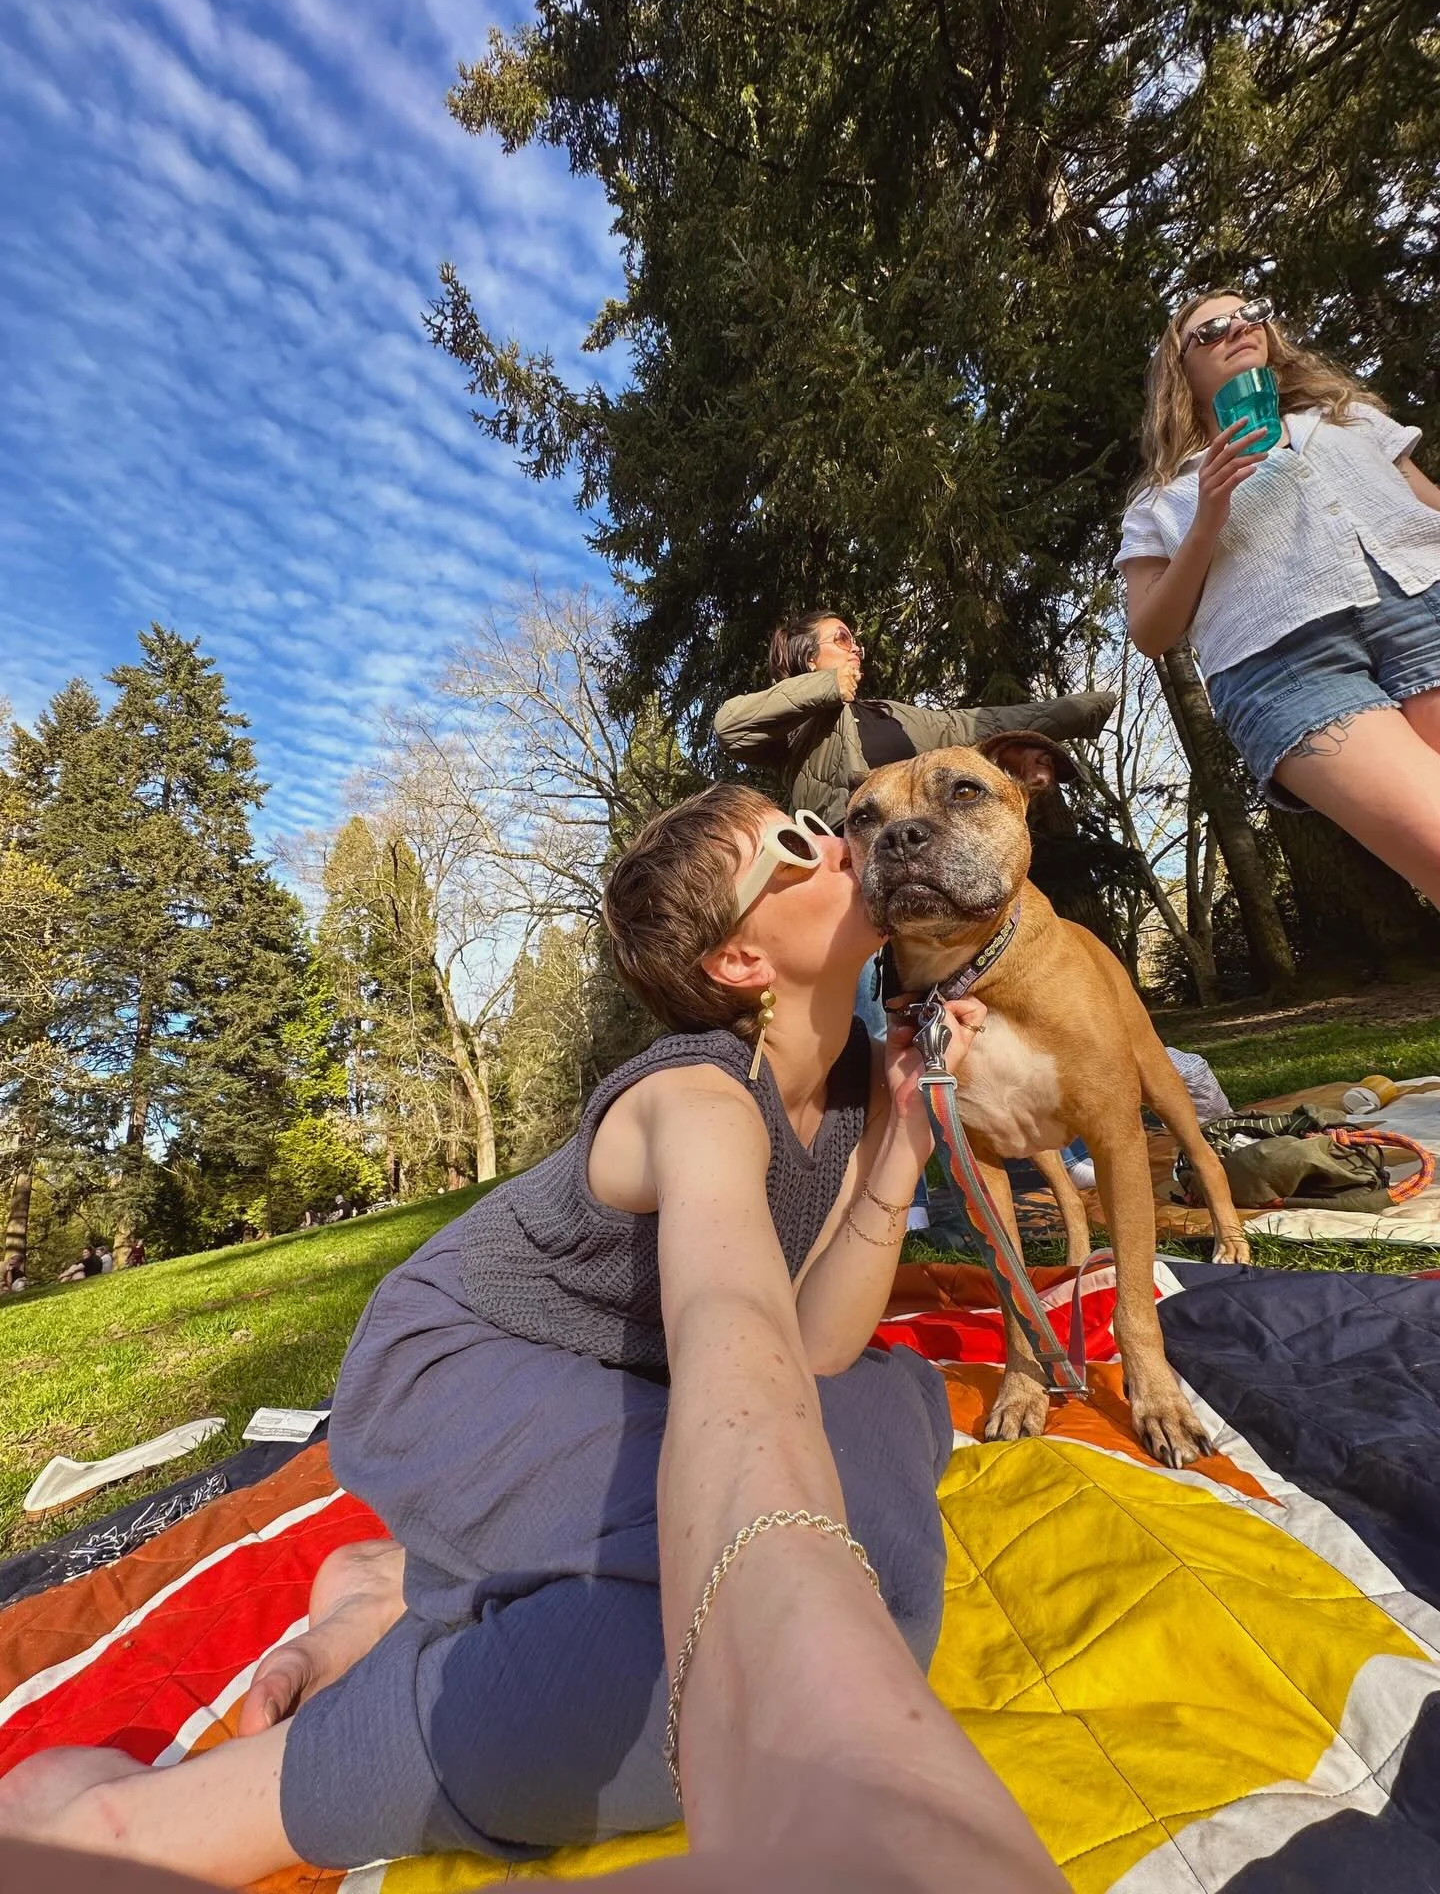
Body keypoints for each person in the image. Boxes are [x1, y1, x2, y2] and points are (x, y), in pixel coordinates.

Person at [0, 783, 1025, 1889]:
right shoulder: (698, 1095)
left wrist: (902, 1144)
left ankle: (397, 1582)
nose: (836, 840)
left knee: (881, 1421)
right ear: (738, 960)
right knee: (808, 1590)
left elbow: (813, 1347)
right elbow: (731, 1321)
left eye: (822, 826)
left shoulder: (862, 1078)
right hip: (459, 1361)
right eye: (794, 841)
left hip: (611, 1370)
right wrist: (811, 1651)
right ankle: (153, 1823)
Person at [1118, 288, 1440, 904]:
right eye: (1210, 329)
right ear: (1178, 373)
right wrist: (1208, 517)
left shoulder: (1347, 419)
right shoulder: (1162, 498)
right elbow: (1151, 632)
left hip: (1424, 608)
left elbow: (1428, 505)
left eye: (1250, 315)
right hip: (1286, 666)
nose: (1238, 328)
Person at [712, 611, 1116, 833]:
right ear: (809, 658)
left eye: (856, 642)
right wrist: (826, 686)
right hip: (841, 860)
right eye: (842, 638)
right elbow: (731, 727)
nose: (857, 649)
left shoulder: (890, 712)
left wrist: (1089, 708)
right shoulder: (795, 727)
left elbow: (975, 724)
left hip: (918, 847)